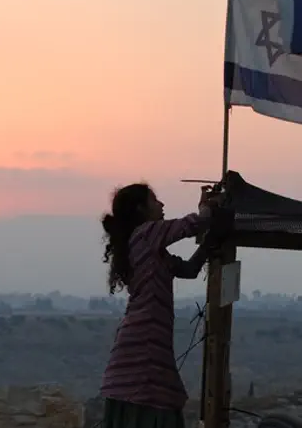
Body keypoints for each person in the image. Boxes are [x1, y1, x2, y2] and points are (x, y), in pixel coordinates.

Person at [99, 183, 222, 428]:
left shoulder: (146, 246)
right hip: (144, 343)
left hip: (143, 341)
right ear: (141, 209)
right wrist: (206, 207)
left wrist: (208, 245)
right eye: (155, 201)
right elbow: (190, 225)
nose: (162, 205)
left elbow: (188, 270)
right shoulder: (146, 234)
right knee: (155, 403)